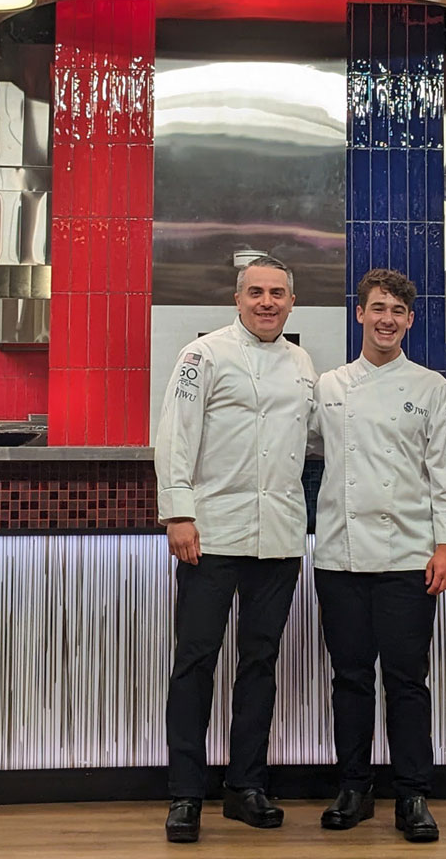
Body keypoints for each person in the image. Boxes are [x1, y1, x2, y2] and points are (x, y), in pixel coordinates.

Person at [154, 255, 318, 845]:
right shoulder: (203, 354)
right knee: (195, 661)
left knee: (260, 663)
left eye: (277, 293)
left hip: (278, 536)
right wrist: (178, 512)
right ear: (237, 298)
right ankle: (185, 794)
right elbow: (175, 432)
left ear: (291, 301)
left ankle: (245, 787)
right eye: (257, 293)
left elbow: (317, 434)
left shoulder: (302, 363)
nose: (267, 302)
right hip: (212, 533)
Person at [310, 268, 446, 844]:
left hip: (409, 556)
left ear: (409, 320)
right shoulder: (327, 386)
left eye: (397, 311)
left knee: (406, 680)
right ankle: (353, 788)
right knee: (349, 677)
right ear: (359, 314)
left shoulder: (432, 388)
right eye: (377, 308)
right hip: (339, 557)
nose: (386, 319)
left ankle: (412, 794)